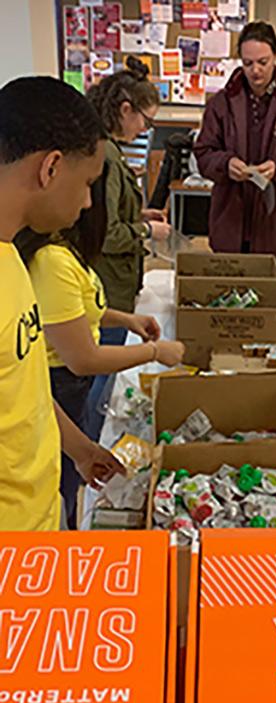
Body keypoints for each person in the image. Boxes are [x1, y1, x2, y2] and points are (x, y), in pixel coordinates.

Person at [15, 181, 185, 528]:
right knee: (62, 484)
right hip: (61, 382)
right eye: (87, 185)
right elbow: (83, 357)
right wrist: (153, 351)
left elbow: (74, 310)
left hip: (63, 393)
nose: (91, 200)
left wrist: (125, 319)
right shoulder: (50, 260)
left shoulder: (63, 250)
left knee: (70, 476)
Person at [0, 76, 122, 531]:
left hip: (43, 523)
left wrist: (80, 448)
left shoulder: (11, 253)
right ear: (50, 168)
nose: (90, 201)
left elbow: (23, 388)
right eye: (87, 182)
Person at [86, 56, 170, 439]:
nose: (144, 129)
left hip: (117, 284)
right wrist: (147, 231)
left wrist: (141, 213)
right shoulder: (104, 157)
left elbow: (116, 211)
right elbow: (105, 232)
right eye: (144, 120)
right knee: (100, 380)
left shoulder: (110, 153)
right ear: (125, 109)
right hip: (109, 284)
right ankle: (93, 439)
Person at [194, 21, 276, 269]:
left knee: (268, 301)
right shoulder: (221, 103)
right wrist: (225, 163)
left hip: (275, 224)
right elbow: (203, 153)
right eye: (247, 63)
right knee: (228, 298)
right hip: (230, 223)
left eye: (263, 62)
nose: (255, 71)